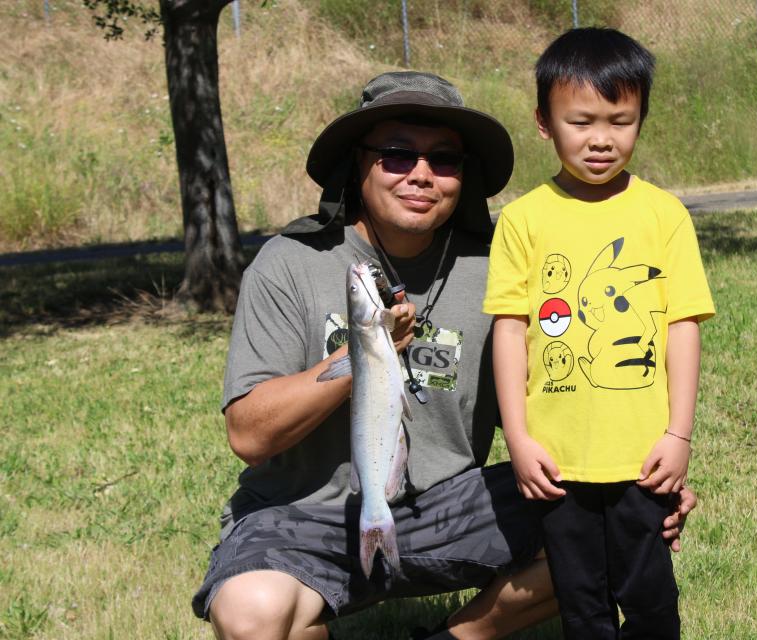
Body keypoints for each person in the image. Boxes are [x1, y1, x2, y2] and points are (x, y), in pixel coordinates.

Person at [191, 70, 698, 640]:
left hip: (452, 506)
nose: (422, 175)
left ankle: (460, 636)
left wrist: (641, 483)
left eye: (445, 160)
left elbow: (570, 393)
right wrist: (364, 357)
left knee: (617, 529)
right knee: (253, 615)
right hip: (303, 515)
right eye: (396, 154)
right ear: (357, 164)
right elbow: (249, 435)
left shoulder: (500, 266)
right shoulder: (291, 261)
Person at [484, 28, 716, 640]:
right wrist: (519, 437)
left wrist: (678, 434)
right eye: (581, 120)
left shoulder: (663, 214)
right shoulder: (523, 220)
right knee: (580, 602)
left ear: (641, 119)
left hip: (643, 456)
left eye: (621, 121)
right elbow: (510, 331)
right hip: (557, 459)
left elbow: (682, 326)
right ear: (543, 122)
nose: (601, 139)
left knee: (650, 597)